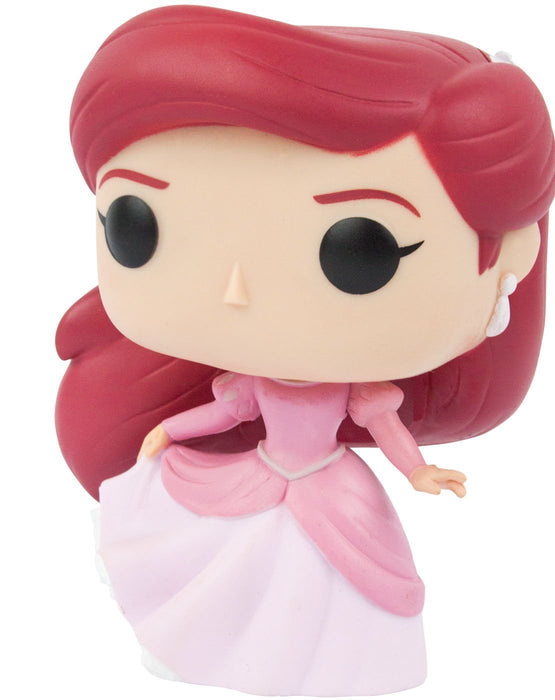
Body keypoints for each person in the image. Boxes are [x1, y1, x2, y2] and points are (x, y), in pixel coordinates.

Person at [56, 5, 554, 695]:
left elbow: (386, 428)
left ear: (509, 258)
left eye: (359, 251)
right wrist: (169, 430)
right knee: (230, 567)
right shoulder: (247, 384)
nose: (234, 291)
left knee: (334, 585)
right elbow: (225, 415)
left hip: (328, 488)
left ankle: (320, 666)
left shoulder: (360, 391)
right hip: (257, 477)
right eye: (134, 226)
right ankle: (216, 649)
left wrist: (419, 473)